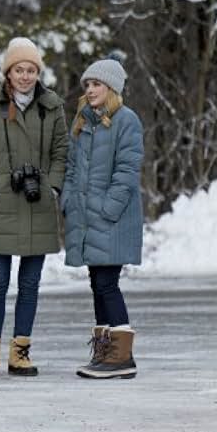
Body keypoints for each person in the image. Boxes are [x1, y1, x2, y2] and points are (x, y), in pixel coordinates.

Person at [0, 37, 68, 377]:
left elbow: (60, 151)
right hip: (1, 204)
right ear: (8, 73)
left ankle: (20, 352)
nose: (25, 76)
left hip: (37, 203)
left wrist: (53, 186)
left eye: (31, 70)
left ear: (38, 72)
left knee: (30, 284)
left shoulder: (51, 106)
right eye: (19, 70)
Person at [60, 54, 143, 379]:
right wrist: (68, 200)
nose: (91, 89)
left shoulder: (127, 120)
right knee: (97, 283)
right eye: (88, 85)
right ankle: (105, 352)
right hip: (85, 219)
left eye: (96, 84)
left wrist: (108, 209)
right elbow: (70, 167)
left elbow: (127, 172)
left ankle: (122, 356)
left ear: (112, 88)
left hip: (113, 219)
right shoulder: (82, 121)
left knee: (107, 283)